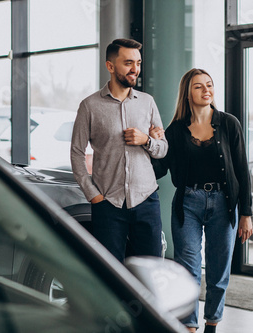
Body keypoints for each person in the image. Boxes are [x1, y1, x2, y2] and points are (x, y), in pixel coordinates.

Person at [151, 68, 253, 333]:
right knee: (188, 270)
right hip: (188, 204)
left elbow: (242, 170)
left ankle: (211, 324)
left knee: (219, 272)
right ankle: (189, 326)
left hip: (224, 204)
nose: (206, 90)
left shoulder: (229, 123)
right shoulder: (175, 130)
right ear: (187, 93)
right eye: (199, 86)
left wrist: (246, 213)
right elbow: (159, 170)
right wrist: (151, 143)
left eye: (209, 85)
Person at [70, 38, 168, 262]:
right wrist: (93, 195)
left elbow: (162, 149)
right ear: (110, 66)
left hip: (146, 200)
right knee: (110, 271)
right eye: (128, 63)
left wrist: (146, 140)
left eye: (139, 63)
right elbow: (76, 152)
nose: (136, 69)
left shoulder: (147, 102)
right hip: (108, 204)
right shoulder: (90, 106)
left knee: (151, 270)